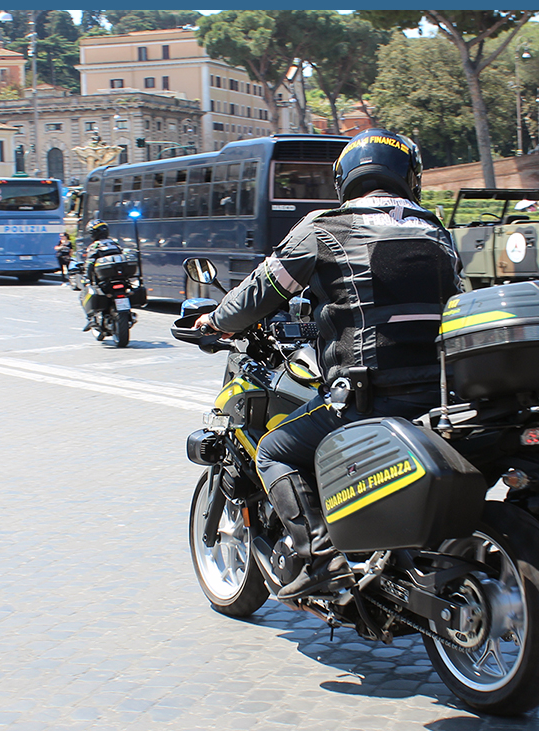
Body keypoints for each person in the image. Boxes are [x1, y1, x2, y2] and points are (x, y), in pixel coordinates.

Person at [195, 129, 462, 600]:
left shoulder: (324, 227)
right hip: (441, 396)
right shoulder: (436, 232)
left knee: (274, 450)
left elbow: (260, 292)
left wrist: (216, 321)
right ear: (409, 179)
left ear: (347, 180)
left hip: (369, 396)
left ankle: (320, 559)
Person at [81, 219, 124, 329]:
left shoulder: (94, 246)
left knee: (83, 294)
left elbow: (90, 263)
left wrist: (87, 278)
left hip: (104, 281)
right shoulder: (115, 244)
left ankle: (91, 318)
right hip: (121, 278)